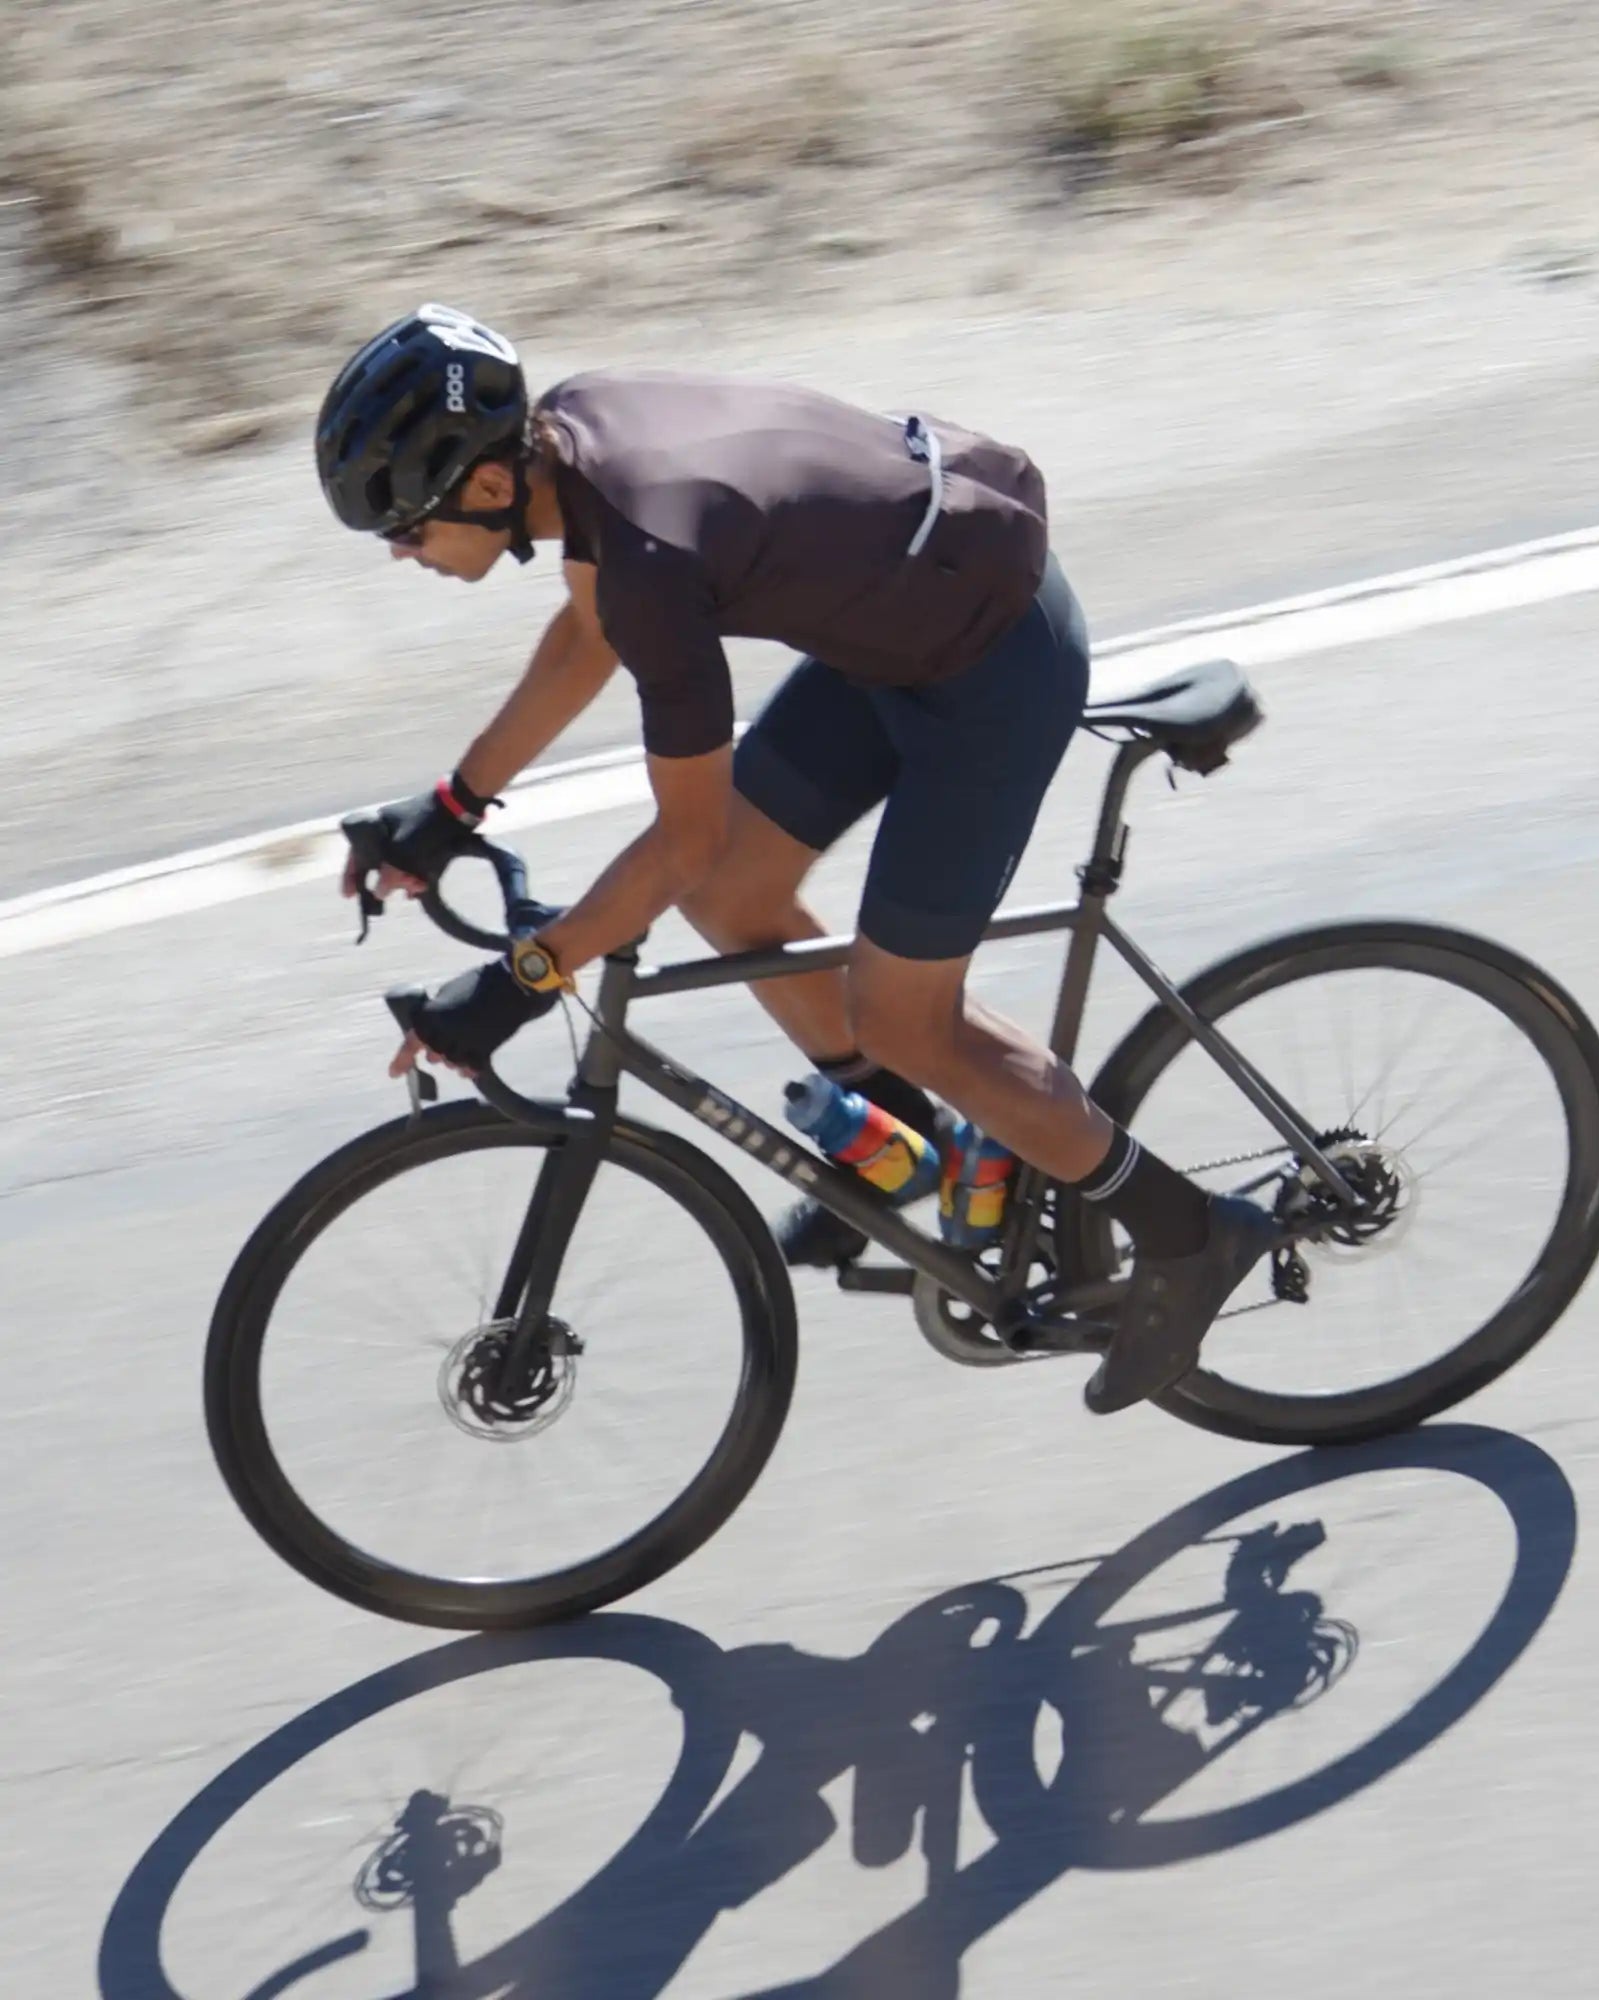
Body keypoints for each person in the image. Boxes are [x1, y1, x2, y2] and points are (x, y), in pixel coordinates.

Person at [314, 302, 1276, 1414]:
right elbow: (590, 633)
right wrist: (454, 803)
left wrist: (527, 977)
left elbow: (683, 830)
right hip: (893, 631)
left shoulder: (649, 552)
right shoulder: (570, 437)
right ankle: (915, 1147)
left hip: (991, 671)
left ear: (485, 488)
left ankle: (1189, 1233)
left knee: (906, 1015)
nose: (398, 553)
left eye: (406, 525)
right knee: (734, 898)